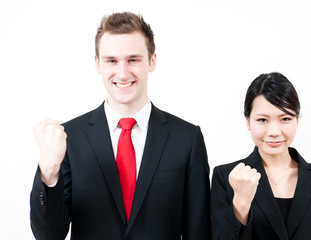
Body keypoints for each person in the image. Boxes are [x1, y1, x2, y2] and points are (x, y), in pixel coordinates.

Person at [30, 12, 211, 240]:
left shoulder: (187, 139)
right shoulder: (69, 139)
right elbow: (48, 235)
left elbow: (199, 231)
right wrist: (48, 172)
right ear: (98, 64)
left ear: (152, 61)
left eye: (133, 59)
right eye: (112, 61)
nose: (123, 73)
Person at [211, 72, 311, 239]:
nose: (274, 132)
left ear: (297, 119)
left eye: (285, 119)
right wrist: (241, 202)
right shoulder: (226, 177)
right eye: (262, 120)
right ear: (247, 121)